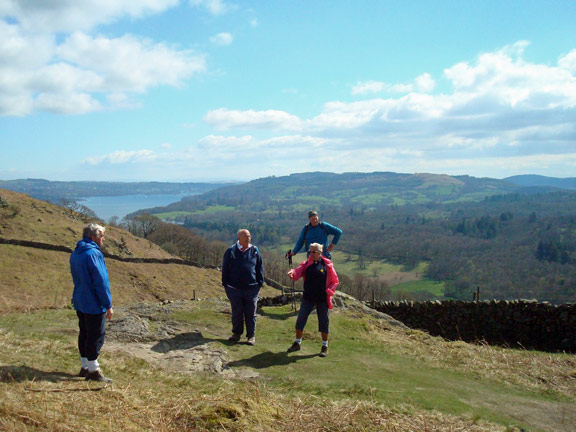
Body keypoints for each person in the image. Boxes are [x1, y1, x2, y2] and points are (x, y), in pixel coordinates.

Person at [70, 223, 113, 383]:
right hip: (93, 303)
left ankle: (85, 366)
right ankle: (94, 370)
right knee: (96, 336)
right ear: (93, 237)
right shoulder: (93, 254)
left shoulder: (76, 253)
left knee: (84, 333)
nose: (103, 239)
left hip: (80, 300)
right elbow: (101, 281)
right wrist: (107, 304)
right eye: (101, 236)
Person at [286, 243, 339, 357]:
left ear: (320, 253)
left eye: (313, 252)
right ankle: (297, 343)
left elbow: (335, 281)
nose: (311, 254)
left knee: (324, 322)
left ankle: (324, 346)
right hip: (308, 297)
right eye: (310, 251)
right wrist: (292, 273)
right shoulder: (307, 263)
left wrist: (329, 291)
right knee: (301, 319)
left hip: (322, 299)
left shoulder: (327, 265)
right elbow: (298, 271)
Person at [222, 229, 264, 345]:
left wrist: (260, 283)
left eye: (249, 236)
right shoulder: (231, 251)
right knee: (237, 312)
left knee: (251, 313)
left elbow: (259, 267)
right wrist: (226, 285)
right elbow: (225, 268)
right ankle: (236, 334)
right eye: (246, 236)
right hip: (234, 289)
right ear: (239, 238)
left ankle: (251, 336)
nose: (248, 238)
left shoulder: (254, 251)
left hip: (252, 288)